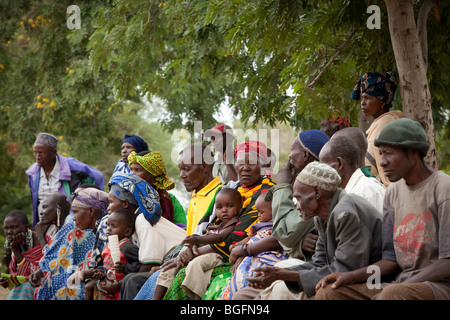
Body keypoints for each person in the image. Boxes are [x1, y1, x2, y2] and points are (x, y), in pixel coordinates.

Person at [315, 118, 450, 300]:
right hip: (398, 284)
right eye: (380, 154)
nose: (382, 162)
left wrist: (399, 287)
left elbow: (446, 263)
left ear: (412, 153)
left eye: (388, 154)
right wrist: (349, 277)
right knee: (329, 292)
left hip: (439, 286)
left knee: (392, 294)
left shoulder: (442, 188)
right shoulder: (393, 192)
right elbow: (390, 261)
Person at [246, 161, 383, 300]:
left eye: (299, 198)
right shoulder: (321, 217)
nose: (297, 206)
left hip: (375, 282)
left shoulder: (346, 213)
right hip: (353, 278)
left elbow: (345, 270)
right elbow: (320, 263)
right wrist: (277, 272)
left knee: (326, 292)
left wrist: (281, 275)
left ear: (317, 192)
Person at [162, 140, 276, 300]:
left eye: (252, 162)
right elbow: (210, 225)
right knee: (173, 273)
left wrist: (194, 252)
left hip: (238, 256)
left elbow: (236, 236)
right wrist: (191, 246)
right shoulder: (233, 188)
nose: (245, 167)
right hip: (213, 251)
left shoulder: (267, 193)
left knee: (184, 274)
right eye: (240, 162)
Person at [132, 143, 223, 300]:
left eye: (187, 169)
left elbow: (215, 235)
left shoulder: (220, 194)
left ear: (204, 166)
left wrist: (185, 254)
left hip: (208, 254)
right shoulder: (197, 195)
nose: (181, 175)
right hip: (190, 251)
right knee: (154, 275)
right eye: (181, 169)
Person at [153, 187, 242, 300]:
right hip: (204, 252)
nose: (224, 210)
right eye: (219, 207)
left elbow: (220, 237)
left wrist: (197, 240)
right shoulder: (216, 223)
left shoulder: (233, 223)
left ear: (239, 206)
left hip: (217, 255)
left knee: (195, 265)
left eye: (229, 206)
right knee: (168, 269)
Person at [109, 172, 187, 300]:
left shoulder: (143, 220)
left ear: (125, 204)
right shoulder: (135, 222)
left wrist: (119, 283)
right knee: (130, 279)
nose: (108, 207)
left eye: (110, 202)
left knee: (133, 280)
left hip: (181, 258)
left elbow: (150, 262)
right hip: (170, 262)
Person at [30, 187, 109, 300]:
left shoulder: (103, 227)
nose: (74, 218)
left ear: (91, 211)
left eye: (76, 212)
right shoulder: (95, 226)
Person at [26, 132, 105, 227]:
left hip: (68, 223)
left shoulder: (71, 168)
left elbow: (98, 176)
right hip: (44, 222)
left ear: (53, 153)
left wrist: (95, 204)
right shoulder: (33, 174)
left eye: (41, 153)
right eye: (35, 152)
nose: (37, 157)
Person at [219, 191, 288, 300]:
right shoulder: (259, 226)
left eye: (261, 212)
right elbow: (250, 238)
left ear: (276, 211)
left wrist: (241, 249)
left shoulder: (279, 225)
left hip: (268, 256)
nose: (258, 215)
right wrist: (238, 245)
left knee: (255, 270)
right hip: (250, 253)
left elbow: (274, 241)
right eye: (258, 212)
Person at [350, 71, 402, 187]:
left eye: (368, 98)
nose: (363, 103)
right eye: (362, 98)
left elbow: (388, 178)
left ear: (383, 101)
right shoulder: (379, 124)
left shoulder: (384, 125)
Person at [319, 134, 386, 213]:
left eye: (325, 167)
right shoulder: (354, 190)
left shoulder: (362, 192)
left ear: (339, 163)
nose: (322, 173)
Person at [83, 208, 141, 300]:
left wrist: (125, 268)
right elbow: (106, 266)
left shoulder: (127, 247)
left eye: (114, 226)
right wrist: (100, 272)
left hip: (120, 290)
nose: (108, 229)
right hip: (106, 289)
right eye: (108, 225)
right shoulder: (108, 246)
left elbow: (139, 266)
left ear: (127, 231)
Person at [128, 150, 187, 227]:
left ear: (152, 174)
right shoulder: (126, 198)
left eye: (137, 170)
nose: (132, 174)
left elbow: (181, 229)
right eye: (131, 170)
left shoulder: (170, 200)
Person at [1, 210, 50, 300]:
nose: (9, 232)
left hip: (45, 283)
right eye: (6, 228)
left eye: (14, 227)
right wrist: (10, 281)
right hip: (28, 285)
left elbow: (34, 274)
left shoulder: (40, 240)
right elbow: (19, 274)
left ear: (26, 227)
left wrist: (16, 250)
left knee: (25, 288)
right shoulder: (15, 242)